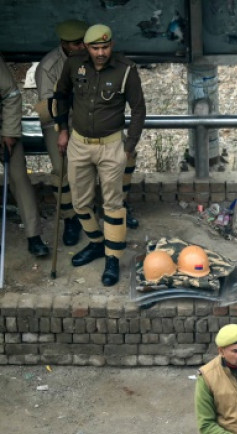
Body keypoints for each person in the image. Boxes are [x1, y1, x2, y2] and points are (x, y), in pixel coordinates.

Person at [52, 24, 146, 286]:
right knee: (81, 203)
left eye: (105, 47)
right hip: (79, 143)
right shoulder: (74, 64)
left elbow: (139, 110)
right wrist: (62, 130)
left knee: (113, 205)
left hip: (111, 145)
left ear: (112, 45)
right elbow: (60, 95)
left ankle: (112, 258)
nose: (101, 52)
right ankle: (95, 243)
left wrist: (129, 147)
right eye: (95, 47)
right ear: (87, 46)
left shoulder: (126, 70)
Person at [35, 19, 87, 246]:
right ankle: (70, 219)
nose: (81, 47)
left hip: (88, 120)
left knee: (117, 154)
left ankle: (116, 208)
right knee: (61, 171)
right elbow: (47, 107)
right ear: (64, 43)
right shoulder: (48, 66)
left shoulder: (92, 56)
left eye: (82, 42)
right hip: (57, 122)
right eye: (76, 44)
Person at [0, 57, 49, 257]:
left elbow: (11, 94)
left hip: (4, 129)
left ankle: (33, 236)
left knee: (19, 178)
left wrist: (9, 132)